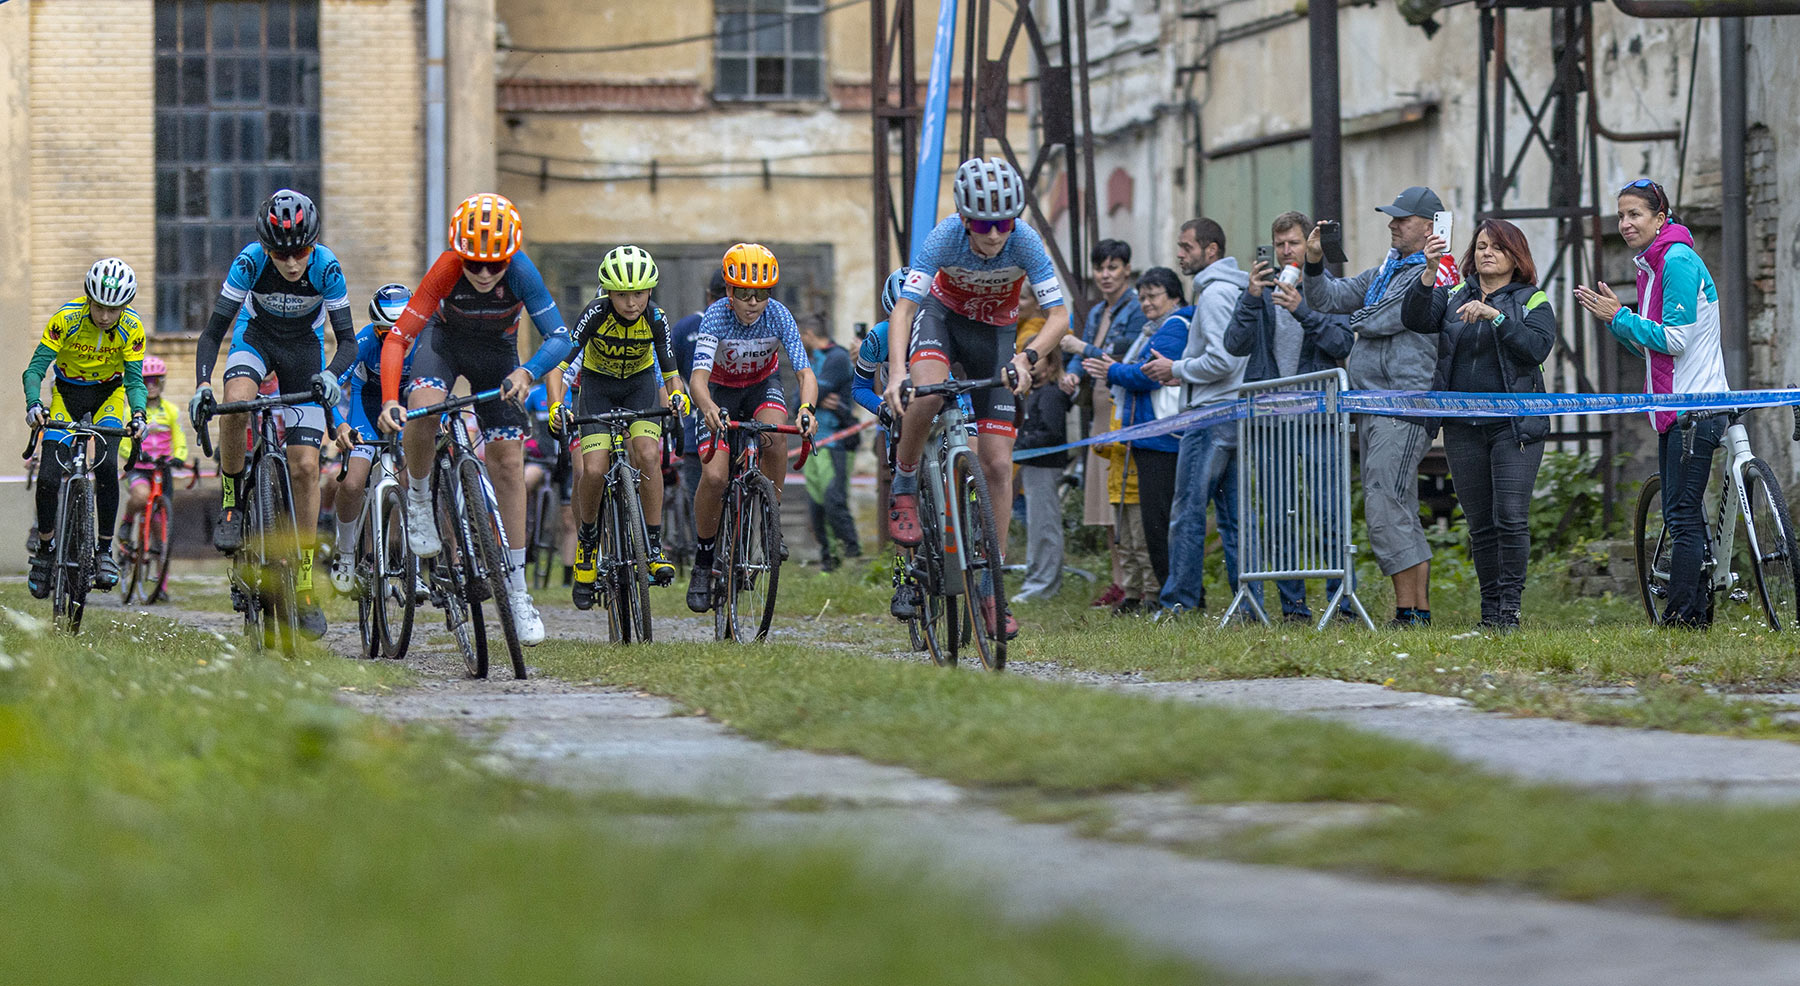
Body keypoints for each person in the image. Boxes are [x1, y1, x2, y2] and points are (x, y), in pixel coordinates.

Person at [883, 158, 1069, 640]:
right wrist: (898, 372)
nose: (995, 234)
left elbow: (1059, 317)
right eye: (984, 225)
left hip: (997, 335)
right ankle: (905, 481)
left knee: (999, 466)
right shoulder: (944, 237)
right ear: (965, 220)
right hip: (942, 321)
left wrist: (1027, 357)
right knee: (926, 393)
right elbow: (905, 308)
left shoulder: (1026, 241)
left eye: (1004, 223)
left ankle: (990, 587)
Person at [378, 192, 573, 645]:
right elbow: (398, 339)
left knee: (508, 460)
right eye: (475, 264)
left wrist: (529, 372)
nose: (484, 274)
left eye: (495, 265)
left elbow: (560, 338)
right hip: (443, 344)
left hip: (497, 354)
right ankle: (420, 501)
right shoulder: (446, 268)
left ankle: (518, 592)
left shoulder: (522, 270)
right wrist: (390, 401)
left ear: (510, 257)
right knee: (423, 405)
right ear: (460, 254)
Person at [188, 190, 356, 637]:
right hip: (256, 339)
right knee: (236, 401)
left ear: (313, 245)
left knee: (306, 467)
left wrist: (332, 375)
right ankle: (231, 503)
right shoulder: (249, 262)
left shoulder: (327, 267)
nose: (293, 263)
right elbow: (212, 334)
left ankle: (304, 581)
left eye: (301, 251)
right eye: (282, 254)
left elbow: (348, 342)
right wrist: (203, 385)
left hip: (304, 351)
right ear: (266, 248)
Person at [1576, 178, 1728, 629]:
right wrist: (1616, 322)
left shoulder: (1676, 260)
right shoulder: (1652, 264)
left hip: (1694, 406)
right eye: (1621, 215)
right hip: (1673, 409)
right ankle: (1695, 614)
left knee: (1681, 515)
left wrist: (1620, 316)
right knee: (1684, 512)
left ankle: (1681, 619)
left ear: (1660, 218)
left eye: (1635, 214)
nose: (1625, 223)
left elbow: (1675, 340)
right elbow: (1650, 348)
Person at [1402, 219, 1555, 632]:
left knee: (1510, 517)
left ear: (1515, 257)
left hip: (1514, 426)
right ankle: (1490, 614)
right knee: (1481, 525)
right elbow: (1415, 318)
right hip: (1462, 426)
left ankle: (1510, 611)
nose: (1487, 253)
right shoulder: (1454, 294)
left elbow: (1536, 348)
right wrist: (1429, 271)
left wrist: (1496, 317)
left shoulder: (1532, 299)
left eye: (1498, 247)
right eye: (1482, 246)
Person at [1301, 186, 1444, 628]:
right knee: (1396, 505)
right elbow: (1326, 299)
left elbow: (1383, 317)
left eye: (1402, 218)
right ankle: (1415, 612)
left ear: (1430, 227)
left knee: (1385, 505)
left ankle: (1409, 612)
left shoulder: (1435, 271)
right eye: (1391, 217)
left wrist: (1357, 319)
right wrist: (1314, 262)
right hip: (1374, 405)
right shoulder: (1385, 271)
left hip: (1403, 405)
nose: (1392, 224)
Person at [1225, 211, 1356, 622]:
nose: (1285, 251)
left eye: (1293, 243)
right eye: (1279, 244)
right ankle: (1293, 608)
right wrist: (1250, 297)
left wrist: (1302, 310)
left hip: (1317, 418)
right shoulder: (1259, 291)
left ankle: (1342, 604)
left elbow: (1342, 343)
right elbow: (1234, 344)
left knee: (1330, 512)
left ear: (1309, 245)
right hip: (1268, 420)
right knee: (1279, 516)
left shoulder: (1327, 289)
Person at [547, 244, 689, 610]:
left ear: (650, 291)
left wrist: (677, 396)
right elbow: (558, 368)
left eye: (639, 293)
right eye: (622, 294)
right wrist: (556, 405)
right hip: (598, 389)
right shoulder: (595, 313)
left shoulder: (656, 318)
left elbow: (670, 371)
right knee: (593, 470)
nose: (631, 303)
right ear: (608, 293)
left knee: (648, 454)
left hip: (639, 386)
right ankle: (588, 545)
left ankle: (653, 546)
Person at [684, 243, 819, 614]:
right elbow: (697, 379)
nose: (753, 303)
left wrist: (807, 409)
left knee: (775, 433)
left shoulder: (778, 314)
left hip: (761, 386)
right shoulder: (716, 316)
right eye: (744, 294)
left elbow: (805, 373)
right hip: (719, 391)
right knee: (715, 477)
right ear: (729, 291)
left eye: (761, 294)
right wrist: (708, 407)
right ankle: (703, 560)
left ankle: (770, 523)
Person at [23, 258, 148, 597]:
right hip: (67, 394)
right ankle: (45, 550)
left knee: (107, 468)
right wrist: (33, 404)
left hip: (109, 394)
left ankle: (104, 551)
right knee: (48, 478)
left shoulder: (132, 327)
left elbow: (135, 381)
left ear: (124, 306)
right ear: (88, 299)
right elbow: (34, 370)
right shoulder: (66, 319)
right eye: (99, 307)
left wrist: (139, 414)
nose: (105, 316)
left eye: (113, 309)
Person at [1145, 218, 1248, 619]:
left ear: (1211, 250)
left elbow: (1224, 360)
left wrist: (1176, 368)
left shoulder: (1216, 294)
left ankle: (1179, 603)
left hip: (1209, 416)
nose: (1179, 254)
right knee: (1233, 519)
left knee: (1187, 512)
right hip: (1230, 411)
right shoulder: (1228, 289)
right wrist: (1184, 373)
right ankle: (1247, 603)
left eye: (1187, 247)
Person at [1084, 267, 1190, 613]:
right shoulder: (1152, 330)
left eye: (1153, 296)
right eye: (1142, 297)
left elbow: (1147, 375)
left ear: (1174, 296)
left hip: (1162, 435)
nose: (1146, 303)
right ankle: (1144, 594)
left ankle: (1164, 595)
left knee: (1154, 527)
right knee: (1137, 531)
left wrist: (1112, 371)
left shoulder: (1174, 326)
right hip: (1144, 437)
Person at [1061, 239, 1144, 609]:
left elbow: (1122, 357)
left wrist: (1082, 351)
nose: (1105, 275)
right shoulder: (1098, 311)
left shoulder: (1136, 307)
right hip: (1098, 416)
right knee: (1106, 505)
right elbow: (1081, 357)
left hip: (1122, 413)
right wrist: (1072, 374)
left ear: (1127, 269)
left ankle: (1134, 582)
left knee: (1124, 502)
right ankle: (1118, 580)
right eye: (1100, 268)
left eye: (1113, 267)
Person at [325, 283, 412, 593]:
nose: (393, 341)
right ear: (375, 328)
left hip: (406, 407)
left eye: (402, 334)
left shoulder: (425, 342)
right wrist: (340, 426)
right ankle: (346, 551)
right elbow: (330, 389)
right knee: (352, 484)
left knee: (414, 480)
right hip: (367, 408)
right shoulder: (363, 342)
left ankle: (407, 561)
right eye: (384, 334)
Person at [1012, 333, 1072, 604]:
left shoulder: (1051, 394)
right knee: (1037, 526)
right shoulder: (1034, 393)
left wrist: (1017, 444)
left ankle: (1043, 586)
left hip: (1045, 466)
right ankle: (1036, 580)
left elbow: (1050, 433)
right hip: (1032, 465)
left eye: (1037, 359)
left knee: (1045, 526)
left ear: (1051, 364)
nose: (1031, 365)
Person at [799, 314, 861, 571]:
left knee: (834, 500)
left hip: (837, 442)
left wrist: (811, 397)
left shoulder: (837, 357)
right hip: (813, 440)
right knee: (817, 505)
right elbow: (795, 399)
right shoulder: (811, 360)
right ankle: (829, 560)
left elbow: (817, 390)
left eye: (801, 336)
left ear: (809, 334)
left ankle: (852, 553)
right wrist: (811, 398)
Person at [669, 271, 726, 532]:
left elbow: (669, 374)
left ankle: (702, 549)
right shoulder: (688, 328)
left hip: (696, 429)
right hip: (723, 422)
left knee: (701, 504)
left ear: (708, 296)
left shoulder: (685, 327)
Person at [118, 355, 190, 553]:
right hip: (139, 469)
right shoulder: (129, 412)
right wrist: (135, 455)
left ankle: (159, 562)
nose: (151, 386)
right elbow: (122, 444)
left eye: (155, 380)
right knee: (141, 497)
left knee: (160, 520)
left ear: (162, 382)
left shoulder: (171, 411)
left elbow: (180, 438)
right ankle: (128, 521)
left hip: (162, 469)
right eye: (146, 381)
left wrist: (179, 457)